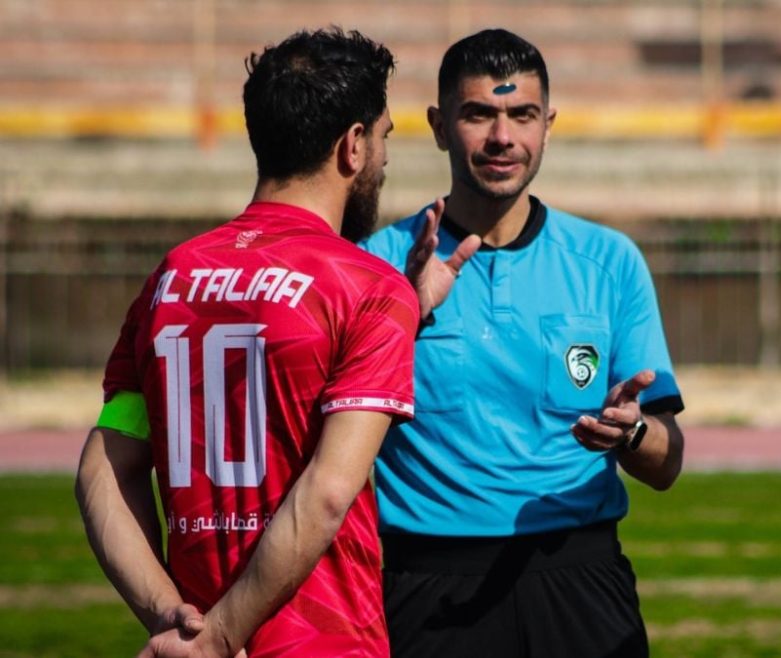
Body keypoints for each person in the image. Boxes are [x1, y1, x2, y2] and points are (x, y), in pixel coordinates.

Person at [74, 27, 421, 657]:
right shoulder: (370, 287)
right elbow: (327, 492)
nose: (385, 159)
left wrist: (174, 621)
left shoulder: (171, 277)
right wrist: (220, 637)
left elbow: (103, 467)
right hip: (324, 640)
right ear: (353, 145)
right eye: (385, 137)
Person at [361, 28, 685, 658]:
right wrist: (403, 312)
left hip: (579, 580)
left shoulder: (608, 262)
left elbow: (667, 463)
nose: (502, 137)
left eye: (522, 114)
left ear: (548, 124)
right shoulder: (377, 264)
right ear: (437, 125)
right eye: (479, 113)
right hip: (424, 586)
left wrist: (633, 434)